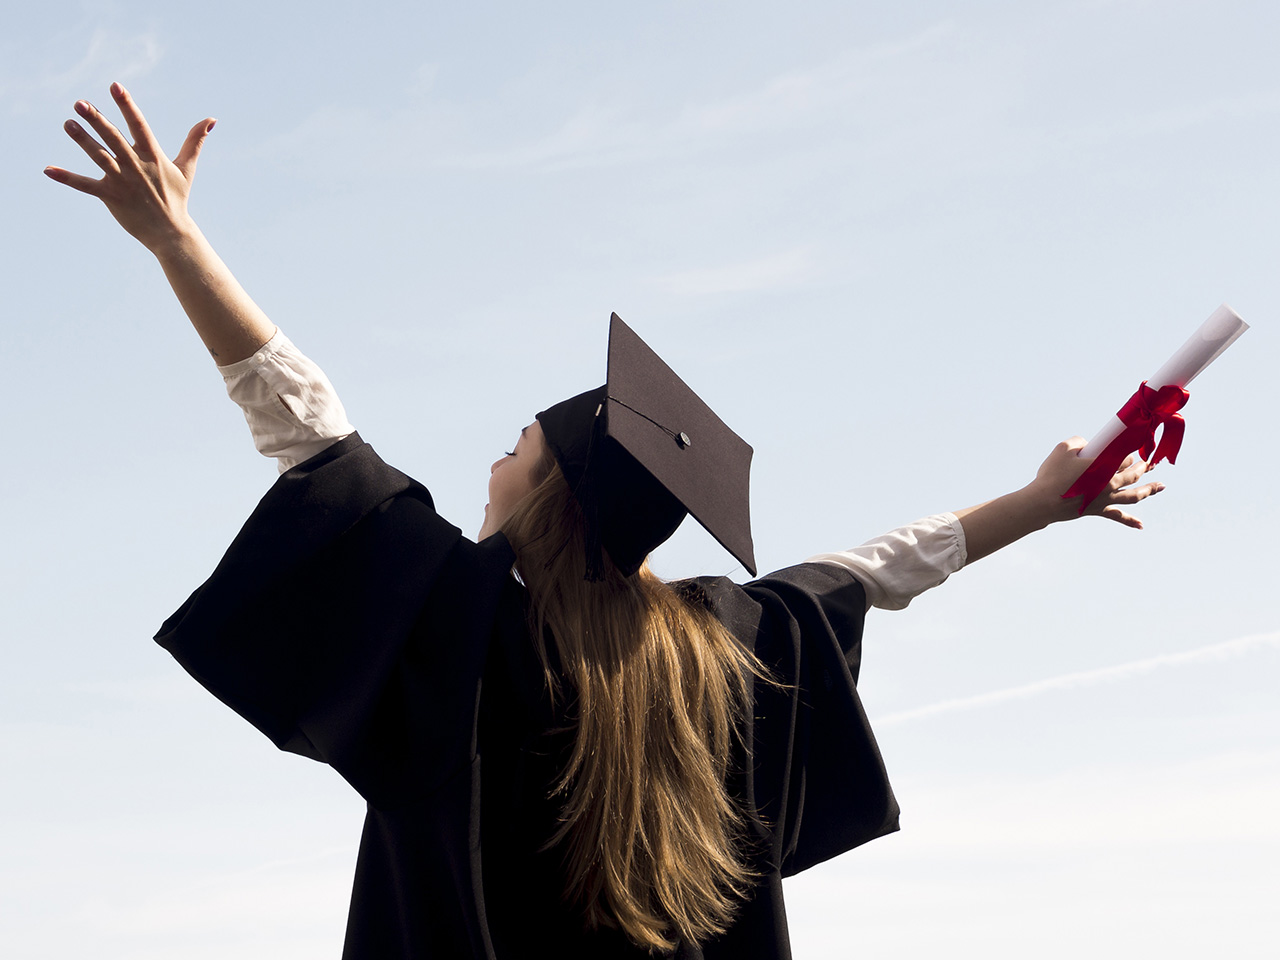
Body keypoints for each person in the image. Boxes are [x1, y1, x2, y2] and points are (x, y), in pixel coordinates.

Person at [46, 85, 1164, 960]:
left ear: (545, 499)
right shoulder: (718, 651)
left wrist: (178, 243)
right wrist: (1036, 505)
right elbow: (868, 573)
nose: (492, 463)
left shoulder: (459, 621)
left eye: (514, 450)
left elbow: (305, 427)